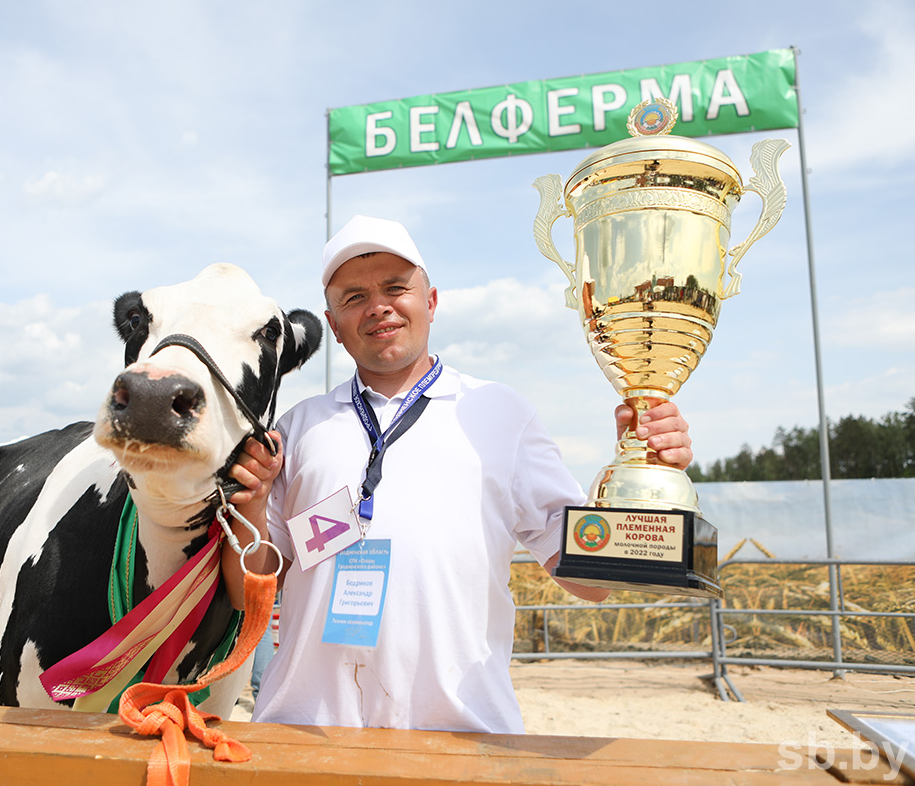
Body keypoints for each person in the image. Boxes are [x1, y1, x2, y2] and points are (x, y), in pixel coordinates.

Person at [223, 215, 692, 733]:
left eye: (396, 288)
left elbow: (591, 585)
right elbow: (250, 596)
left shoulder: (500, 414)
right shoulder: (300, 426)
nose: (378, 306)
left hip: (459, 737)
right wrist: (251, 500)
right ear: (333, 326)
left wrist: (643, 483)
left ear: (431, 301)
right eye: (353, 297)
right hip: (305, 730)